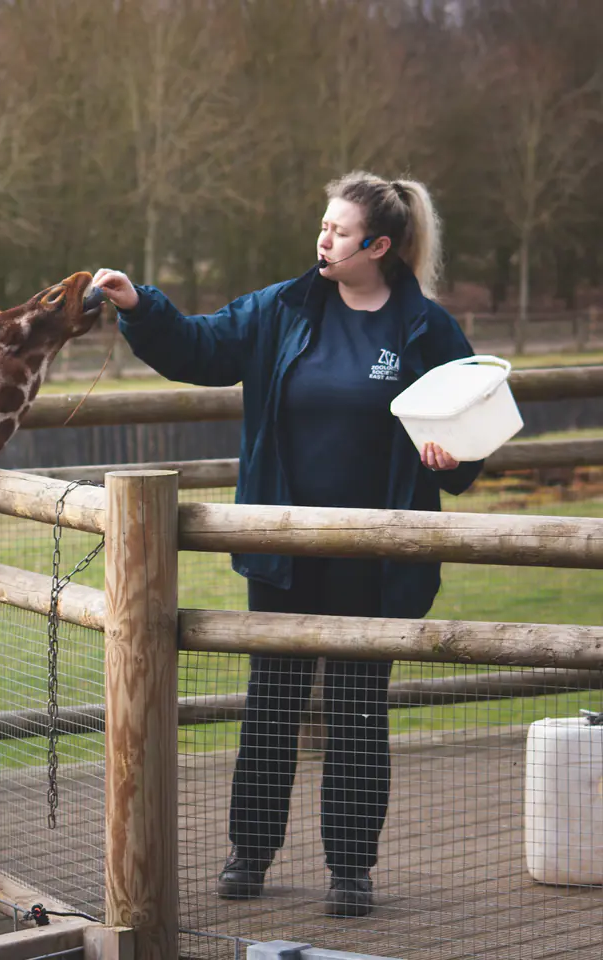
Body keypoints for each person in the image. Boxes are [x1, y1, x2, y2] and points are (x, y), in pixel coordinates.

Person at [91, 172, 483, 919]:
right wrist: (139, 305)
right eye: (324, 225)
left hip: (377, 559)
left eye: (339, 230)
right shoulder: (282, 308)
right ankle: (251, 852)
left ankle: (351, 868)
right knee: (270, 703)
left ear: (380, 245)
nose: (323, 239)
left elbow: (471, 428)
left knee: (359, 709)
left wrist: (452, 458)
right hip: (282, 551)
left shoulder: (425, 328)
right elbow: (200, 349)